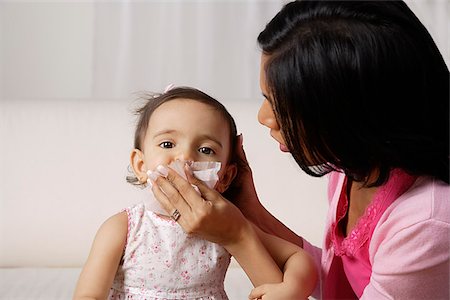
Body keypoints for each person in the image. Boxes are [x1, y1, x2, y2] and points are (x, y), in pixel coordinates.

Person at [150, 1, 449, 299]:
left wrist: (239, 237)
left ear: (350, 117)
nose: (263, 117)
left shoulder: (426, 223)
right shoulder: (351, 168)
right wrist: (249, 211)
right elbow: (339, 285)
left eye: (282, 106)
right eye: (266, 97)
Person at [73, 86, 317, 300]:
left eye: (205, 149)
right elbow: (88, 294)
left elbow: (297, 257)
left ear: (226, 177)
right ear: (140, 165)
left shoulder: (225, 225)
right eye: (168, 144)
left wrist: (294, 286)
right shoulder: (124, 228)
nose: (185, 158)